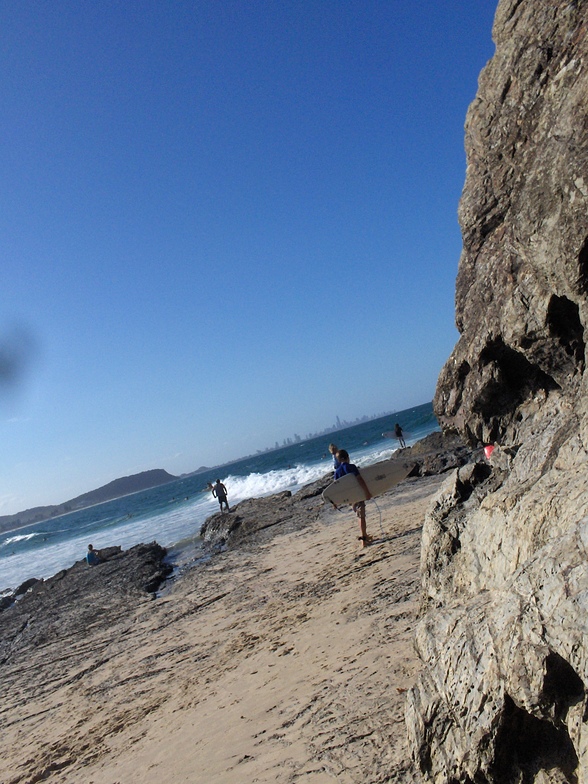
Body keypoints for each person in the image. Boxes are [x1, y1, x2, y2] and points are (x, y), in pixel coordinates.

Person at [334, 449, 373, 547]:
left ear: (338, 460)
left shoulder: (337, 472)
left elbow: (336, 488)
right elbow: (360, 480)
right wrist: (367, 492)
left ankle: (365, 535)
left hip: (349, 497)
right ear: (347, 457)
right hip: (358, 494)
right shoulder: (351, 467)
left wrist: (335, 501)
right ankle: (364, 540)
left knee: (359, 515)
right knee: (361, 517)